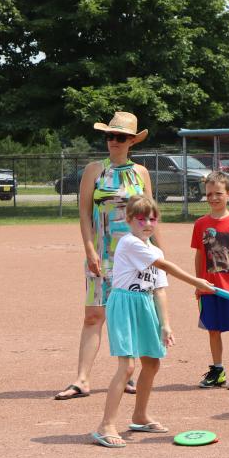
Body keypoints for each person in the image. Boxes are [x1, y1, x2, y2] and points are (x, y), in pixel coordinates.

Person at [91, 195, 215, 447]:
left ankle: (140, 416)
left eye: (152, 218)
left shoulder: (154, 248)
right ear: (128, 221)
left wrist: (165, 324)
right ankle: (105, 426)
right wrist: (197, 281)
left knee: (152, 363)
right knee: (127, 367)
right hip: (124, 304)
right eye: (141, 219)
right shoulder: (129, 243)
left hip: (146, 304)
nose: (147, 223)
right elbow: (164, 265)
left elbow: (159, 289)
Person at [56, 112, 161, 400]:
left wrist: (157, 254)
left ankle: (128, 373)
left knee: (134, 312)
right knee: (94, 314)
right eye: (110, 136)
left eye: (121, 137)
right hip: (102, 252)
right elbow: (84, 213)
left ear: (131, 142)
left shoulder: (141, 173)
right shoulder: (94, 170)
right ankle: (82, 379)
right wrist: (89, 249)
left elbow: (150, 215)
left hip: (136, 255)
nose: (114, 141)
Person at [191, 171, 229, 389]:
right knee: (213, 330)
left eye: (218, 193)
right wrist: (198, 282)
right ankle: (217, 370)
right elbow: (199, 254)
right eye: (209, 194)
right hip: (209, 288)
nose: (213, 198)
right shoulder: (200, 224)